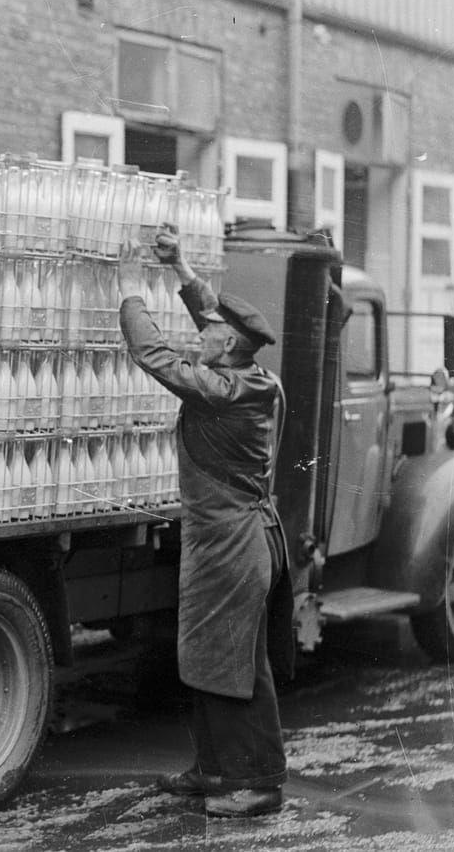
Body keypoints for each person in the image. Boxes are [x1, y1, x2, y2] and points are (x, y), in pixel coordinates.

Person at [117, 225, 293, 818]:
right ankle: (215, 769)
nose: (205, 335)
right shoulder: (246, 373)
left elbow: (154, 356)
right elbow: (215, 319)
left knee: (238, 664)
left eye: (213, 334)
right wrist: (181, 268)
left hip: (235, 546)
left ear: (231, 347)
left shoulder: (227, 390)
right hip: (225, 541)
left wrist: (129, 292)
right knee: (207, 657)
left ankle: (261, 782)